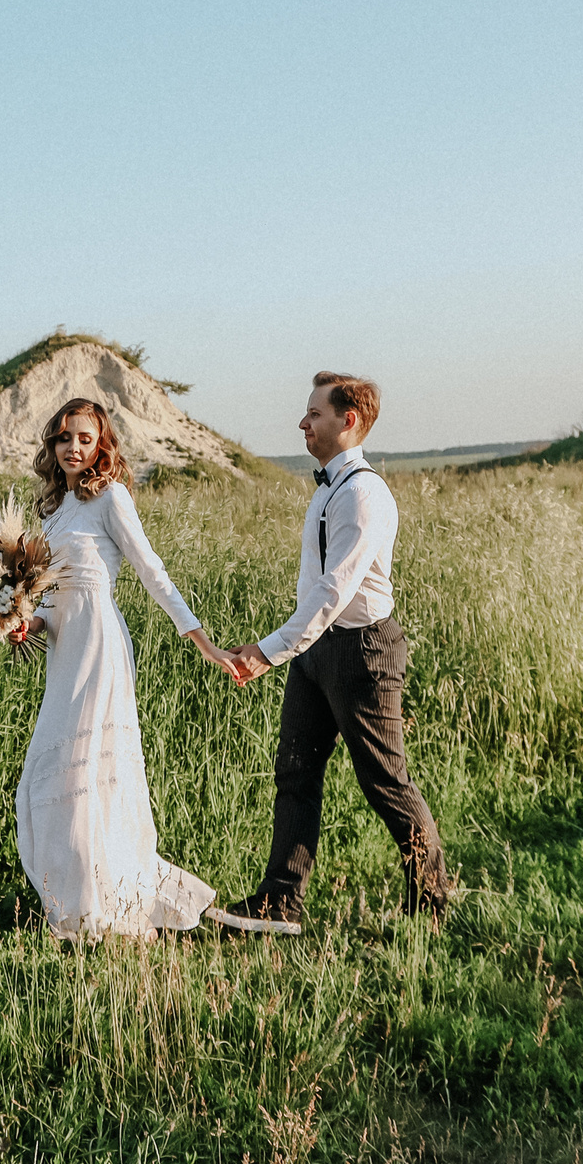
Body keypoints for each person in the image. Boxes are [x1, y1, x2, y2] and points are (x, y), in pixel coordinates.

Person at [211, 373, 448, 935]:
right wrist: (289, 651)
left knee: (385, 781)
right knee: (295, 773)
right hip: (317, 651)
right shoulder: (327, 489)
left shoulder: (365, 495)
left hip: (362, 652)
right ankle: (280, 902)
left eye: (313, 413)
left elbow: (331, 593)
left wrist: (266, 653)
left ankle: (432, 903)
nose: (302, 423)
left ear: (349, 421)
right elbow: (315, 592)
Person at [14, 397, 240, 940]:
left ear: (101, 446)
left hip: (99, 646)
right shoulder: (53, 511)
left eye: (85, 439)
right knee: (53, 776)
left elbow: (151, 569)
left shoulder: (110, 497)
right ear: (53, 445)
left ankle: (106, 909)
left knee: (91, 774)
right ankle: (79, 904)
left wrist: (201, 639)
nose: (73, 448)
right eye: (64, 438)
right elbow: (53, 598)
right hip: (66, 648)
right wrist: (27, 623)